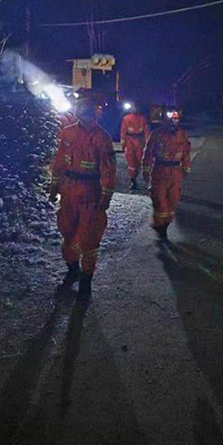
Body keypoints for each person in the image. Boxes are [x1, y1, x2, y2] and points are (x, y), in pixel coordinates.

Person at [49, 93, 116, 301]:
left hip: (90, 194)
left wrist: (106, 195)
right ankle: (72, 268)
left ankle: (86, 280)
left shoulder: (101, 137)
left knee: (89, 238)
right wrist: (54, 186)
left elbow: (108, 169)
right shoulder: (67, 133)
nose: (84, 111)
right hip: (69, 192)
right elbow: (59, 161)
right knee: (68, 232)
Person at [143, 109, 191, 241]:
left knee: (173, 200)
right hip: (160, 170)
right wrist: (146, 170)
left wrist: (186, 167)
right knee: (159, 200)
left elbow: (186, 152)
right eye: (170, 119)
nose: (173, 122)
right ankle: (160, 227)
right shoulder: (156, 135)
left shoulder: (182, 135)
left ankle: (165, 224)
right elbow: (148, 153)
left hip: (175, 172)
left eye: (175, 119)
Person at [120, 103, 150, 190]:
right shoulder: (126, 118)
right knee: (131, 163)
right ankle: (133, 181)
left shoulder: (142, 118)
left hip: (139, 143)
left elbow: (146, 131)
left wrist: (148, 143)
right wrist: (123, 144)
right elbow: (123, 131)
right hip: (131, 143)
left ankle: (148, 181)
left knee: (144, 162)